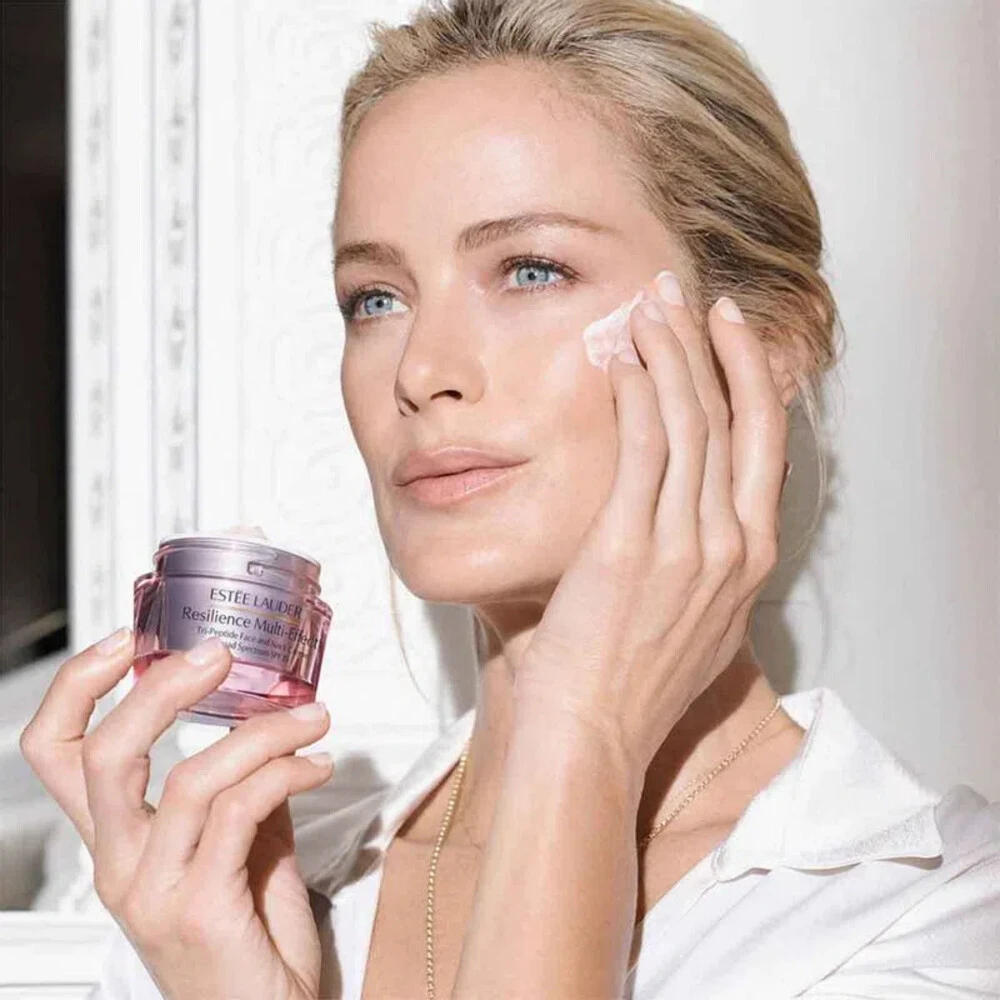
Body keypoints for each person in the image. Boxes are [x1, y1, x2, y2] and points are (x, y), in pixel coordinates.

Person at [21, 1, 1000, 997]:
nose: (422, 370)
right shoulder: (220, 903)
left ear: (768, 343)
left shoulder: (925, 913)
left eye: (531, 270)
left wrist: (582, 730)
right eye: (375, 297)